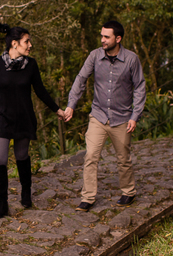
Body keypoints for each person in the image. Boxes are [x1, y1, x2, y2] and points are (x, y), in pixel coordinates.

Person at [0, 24, 67, 219]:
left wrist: (57, 110)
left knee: (22, 156)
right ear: (14, 43)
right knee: (0, 159)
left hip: (23, 117)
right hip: (1, 117)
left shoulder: (31, 65)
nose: (30, 45)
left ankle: (26, 191)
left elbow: (40, 90)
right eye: (27, 41)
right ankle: (2, 204)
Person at [61, 20, 146, 211]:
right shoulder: (94, 56)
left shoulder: (131, 59)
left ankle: (128, 192)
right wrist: (71, 105)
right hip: (98, 115)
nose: (102, 40)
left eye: (106, 37)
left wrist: (135, 115)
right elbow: (81, 79)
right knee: (91, 155)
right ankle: (88, 197)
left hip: (122, 118)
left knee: (123, 158)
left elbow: (140, 87)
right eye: (101, 36)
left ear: (118, 38)